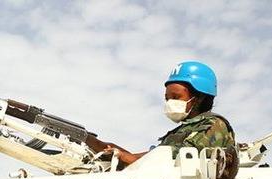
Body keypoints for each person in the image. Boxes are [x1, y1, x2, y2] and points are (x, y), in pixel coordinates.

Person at [85, 61, 235, 165]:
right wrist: (103, 146)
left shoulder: (215, 125)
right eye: (167, 98)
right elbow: (147, 158)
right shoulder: (182, 130)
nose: (170, 102)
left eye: (176, 97)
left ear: (199, 97)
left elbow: (179, 157)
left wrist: (127, 158)